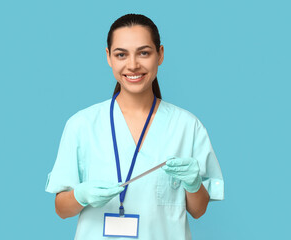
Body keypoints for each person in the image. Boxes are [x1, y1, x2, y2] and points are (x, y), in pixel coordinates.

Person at [45, 13, 224, 239]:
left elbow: (198, 210)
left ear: (160, 55)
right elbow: (61, 209)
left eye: (144, 53)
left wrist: (193, 183)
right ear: (108, 57)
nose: (133, 65)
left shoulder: (187, 126)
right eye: (121, 55)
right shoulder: (81, 125)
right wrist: (80, 196)